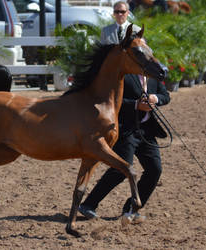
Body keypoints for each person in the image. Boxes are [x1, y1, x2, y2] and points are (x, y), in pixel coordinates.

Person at [79, 1, 171, 223]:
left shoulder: (152, 75)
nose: (145, 56)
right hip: (127, 127)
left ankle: (131, 209)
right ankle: (89, 204)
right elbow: (114, 100)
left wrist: (155, 98)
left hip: (147, 129)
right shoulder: (123, 75)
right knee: (122, 169)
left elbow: (166, 96)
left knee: (154, 170)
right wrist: (135, 105)